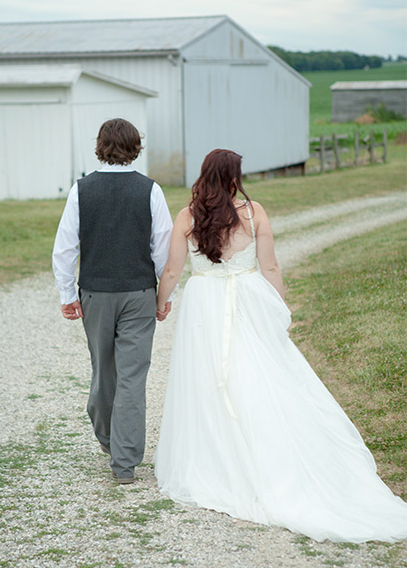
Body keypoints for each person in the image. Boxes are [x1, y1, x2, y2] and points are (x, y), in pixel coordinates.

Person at [154, 148, 407, 543]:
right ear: (235, 176)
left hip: (205, 300)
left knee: (209, 376)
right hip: (249, 297)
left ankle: (218, 456)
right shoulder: (253, 212)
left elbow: (172, 269)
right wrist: (279, 307)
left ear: (204, 174)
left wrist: (161, 301)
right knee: (259, 369)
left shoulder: (188, 216)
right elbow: (270, 266)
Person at [52, 118, 173, 485]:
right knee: (132, 377)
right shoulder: (150, 190)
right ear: (136, 146)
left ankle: (112, 443)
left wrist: (67, 294)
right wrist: (163, 297)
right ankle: (124, 459)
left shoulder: (81, 190)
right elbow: (163, 249)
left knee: (105, 371)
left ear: (100, 145)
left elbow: (65, 248)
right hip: (138, 294)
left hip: (96, 295)